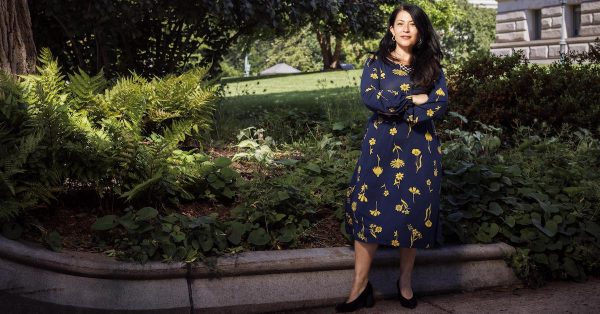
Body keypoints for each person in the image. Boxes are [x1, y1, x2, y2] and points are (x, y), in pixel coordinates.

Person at [335, 3, 448, 312]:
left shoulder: (431, 65)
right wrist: (413, 98)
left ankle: (405, 282)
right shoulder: (376, 63)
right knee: (368, 211)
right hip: (380, 148)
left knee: (412, 213)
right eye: (400, 23)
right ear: (391, 29)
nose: (406, 28)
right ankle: (359, 288)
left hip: (420, 151)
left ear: (420, 30)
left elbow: (440, 103)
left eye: (412, 24)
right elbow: (371, 98)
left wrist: (399, 103)